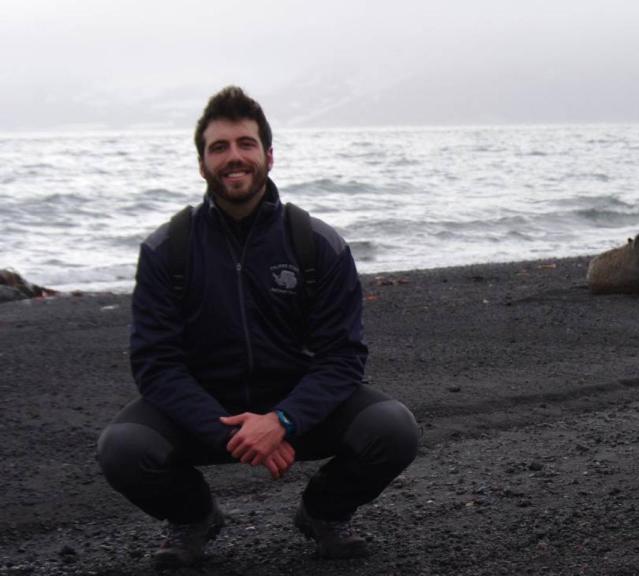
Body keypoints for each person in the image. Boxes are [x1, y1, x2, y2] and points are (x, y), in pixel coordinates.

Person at [96, 86, 419, 569]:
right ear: (202, 163)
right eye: (219, 147)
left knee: (393, 429)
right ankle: (194, 518)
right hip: (205, 414)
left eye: (245, 144)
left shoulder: (316, 243)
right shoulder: (169, 248)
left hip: (297, 408)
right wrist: (232, 431)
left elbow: (343, 357)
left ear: (268, 155)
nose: (234, 157)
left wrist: (283, 420)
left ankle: (323, 513)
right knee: (122, 448)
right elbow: (156, 364)